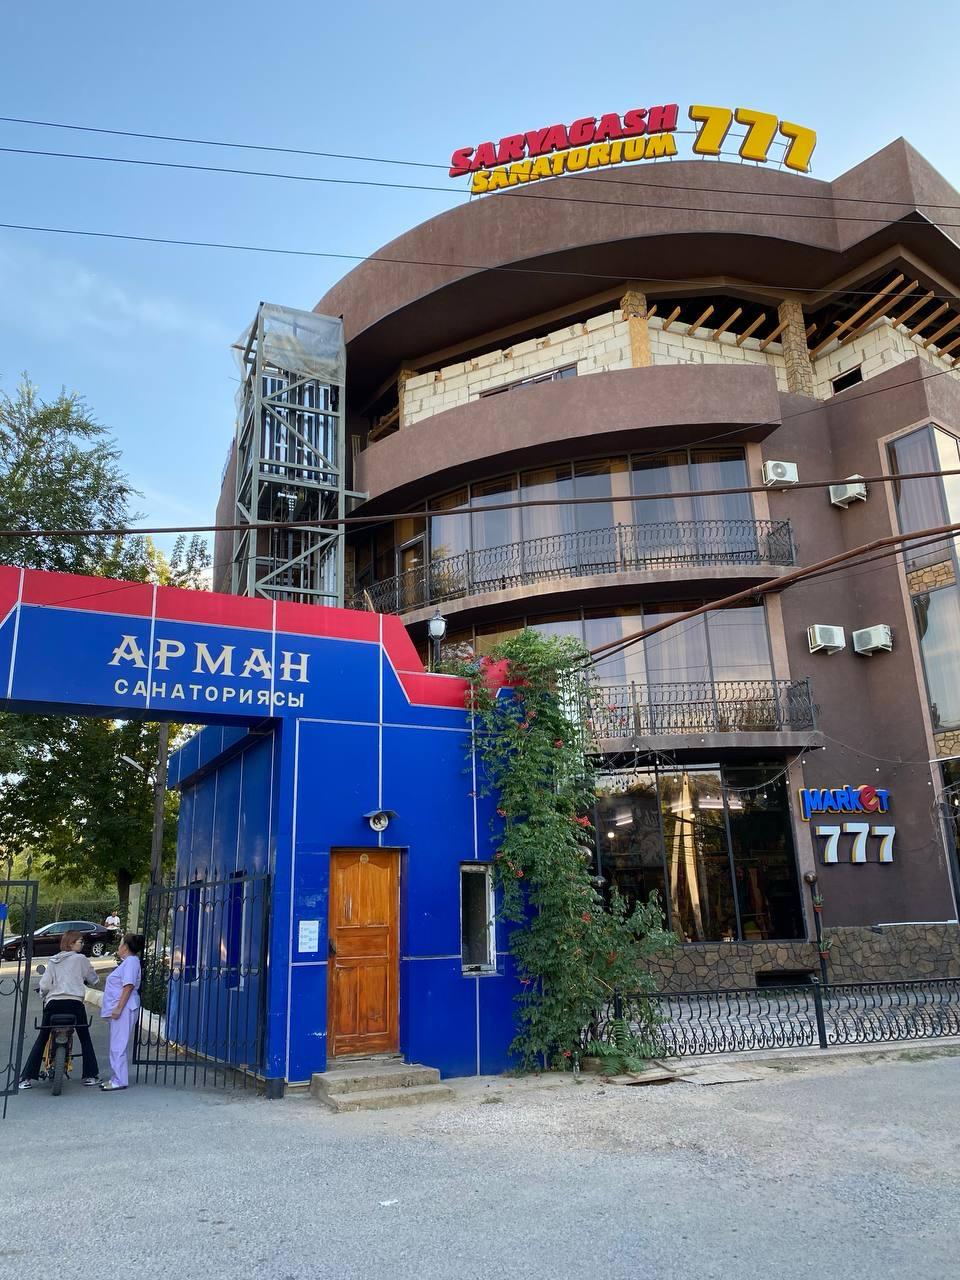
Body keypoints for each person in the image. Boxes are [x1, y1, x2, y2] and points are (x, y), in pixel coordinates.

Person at [19, 930, 100, 1088]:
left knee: (42, 1037)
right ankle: (91, 1075)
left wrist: (43, 994)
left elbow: (44, 985)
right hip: (74, 1004)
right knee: (84, 1037)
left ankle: (26, 1078)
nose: (82, 944)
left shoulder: (53, 960)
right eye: (80, 941)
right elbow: (94, 979)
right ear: (71, 943)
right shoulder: (81, 959)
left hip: (54, 1005)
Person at [99, 933, 144, 1092]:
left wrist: (118, 1008)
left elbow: (128, 985)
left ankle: (119, 1080)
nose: (118, 947)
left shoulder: (131, 962)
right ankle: (116, 1078)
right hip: (124, 1007)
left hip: (125, 1008)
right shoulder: (129, 962)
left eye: (120, 944)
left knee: (118, 1044)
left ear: (125, 947)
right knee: (117, 1043)